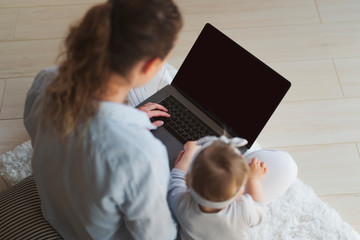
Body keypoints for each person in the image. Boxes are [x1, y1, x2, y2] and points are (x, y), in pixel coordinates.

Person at [23, 0, 182, 239]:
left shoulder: (46, 81)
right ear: (150, 65)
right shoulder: (141, 155)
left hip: (55, 209)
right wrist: (181, 176)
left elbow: (45, 134)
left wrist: (130, 118)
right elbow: (159, 236)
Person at [168, 136, 298, 240]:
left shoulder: (181, 202)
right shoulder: (244, 210)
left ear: (188, 180)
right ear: (240, 192)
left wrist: (190, 152)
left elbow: (177, 177)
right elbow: (260, 209)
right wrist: (254, 179)